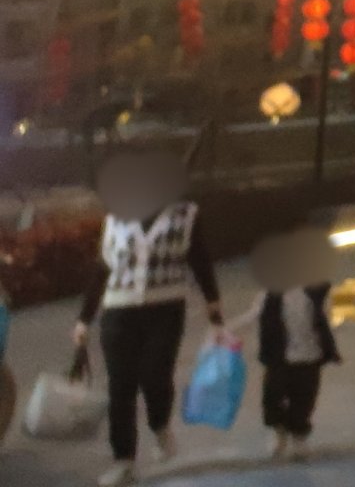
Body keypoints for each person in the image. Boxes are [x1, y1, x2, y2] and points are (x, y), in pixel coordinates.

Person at [74, 156, 226, 487]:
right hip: (118, 311)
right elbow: (103, 268)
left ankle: (160, 426)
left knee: (156, 375)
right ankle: (124, 461)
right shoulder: (116, 217)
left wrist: (214, 307)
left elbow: (199, 259)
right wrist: (84, 319)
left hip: (165, 311)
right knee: (121, 387)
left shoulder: (185, 215)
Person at [240, 247, 338, 462]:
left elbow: (326, 319)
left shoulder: (319, 291)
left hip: (309, 356)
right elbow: (255, 314)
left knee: (304, 400)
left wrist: (327, 342)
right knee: (272, 397)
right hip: (278, 357)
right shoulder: (270, 292)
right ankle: (278, 431)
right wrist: (228, 330)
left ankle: (299, 436)